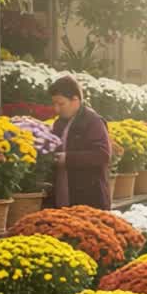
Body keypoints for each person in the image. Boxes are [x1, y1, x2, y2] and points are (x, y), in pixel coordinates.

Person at [48, 75, 112, 210]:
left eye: (61, 104)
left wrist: (67, 158)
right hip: (63, 192)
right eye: (54, 104)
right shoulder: (59, 123)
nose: (56, 109)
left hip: (89, 197)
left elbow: (102, 154)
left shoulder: (93, 121)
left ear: (75, 100)